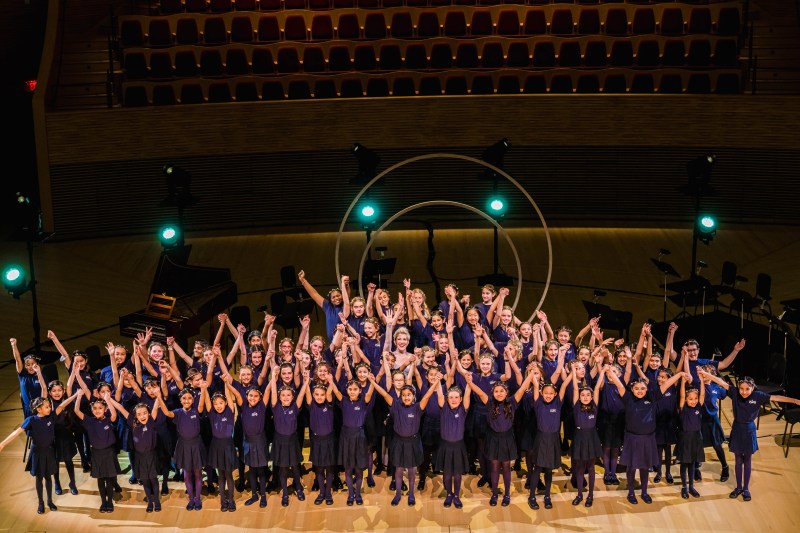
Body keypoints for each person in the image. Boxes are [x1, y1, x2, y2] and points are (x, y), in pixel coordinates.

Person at [700, 371, 800, 501]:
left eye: (747, 389)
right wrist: (707, 375)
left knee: (747, 460)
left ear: (753, 388)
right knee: (737, 460)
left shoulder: (758, 396)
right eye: (741, 388)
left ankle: (746, 488)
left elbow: (776, 398)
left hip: (749, 430)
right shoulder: (734, 393)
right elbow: (721, 383)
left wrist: (794, 400)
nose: (744, 392)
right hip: (737, 429)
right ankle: (738, 487)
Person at [605, 364, 686, 504]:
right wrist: (607, 371)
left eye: (643, 388)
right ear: (632, 389)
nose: (640, 391)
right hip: (632, 438)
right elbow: (618, 384)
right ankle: (631, 492)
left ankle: (644, 492)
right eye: (636, 388)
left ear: (647, 388)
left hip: (648, 438)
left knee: (644, 467)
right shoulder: (628, 397)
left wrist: (679, 375)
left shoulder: (653, 396)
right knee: (631, 467)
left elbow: (666, 384)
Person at [467, 365, 536, 507]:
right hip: (493, 439)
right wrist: (469, 382)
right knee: (494, 467)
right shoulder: (489, 403)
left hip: (507, 439)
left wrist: (530, 374)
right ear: (493, 393)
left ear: (506, 392)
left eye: (502, 391)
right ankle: (494, 493)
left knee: (505, 467)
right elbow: (479, 392)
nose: (499, 393)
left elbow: (523, 388)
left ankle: (507, 494)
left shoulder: (512, 402)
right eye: (496, 391)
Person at [369, 371, 437, 506]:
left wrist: (436, 382)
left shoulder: (418, 407)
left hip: (413, 442)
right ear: (401, 396)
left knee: (412, 470)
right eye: (404, 395)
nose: (406, 397)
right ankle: (398, 494)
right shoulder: (395, 405)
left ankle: (411, 494)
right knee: (398, 469)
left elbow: (428, 395)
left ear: (413, 396)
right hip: (399, 442)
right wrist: (372, 382)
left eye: (409, 395)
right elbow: (383, 393)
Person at [0, 394, 77, 514]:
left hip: (49, 452)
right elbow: (16, 433)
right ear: (38, 409)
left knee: (48, 478)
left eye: (50, 406)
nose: (50, 409)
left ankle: (50, 501)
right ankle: (41, 503)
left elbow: (62, 405)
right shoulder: (31, 420)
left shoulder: (51, 417)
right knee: (39, 478)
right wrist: (2, 444)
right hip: (37, 453)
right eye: (47, 407)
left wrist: (76, 395)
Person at [522, 367, 569, 509]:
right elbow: (535, 384)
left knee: (548, 470)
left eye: (551, 393)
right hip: (541, 440)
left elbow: (565, 384)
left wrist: (570, 371)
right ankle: (532, 496)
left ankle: (547, 496)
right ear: (541, 393)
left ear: (555, 394)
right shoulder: (538, 403)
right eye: (546, 393)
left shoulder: (558, 403)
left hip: (553, 440)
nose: (548, 396)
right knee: (537, 469)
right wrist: (532, 373)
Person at [159, 385, 209, 510]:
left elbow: (201, 403)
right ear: (180, 400)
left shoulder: (196, 411)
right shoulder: (178, 413)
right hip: (183, 446)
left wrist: (203, 390)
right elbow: (166, 413)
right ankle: (191, 499)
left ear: (193, 399)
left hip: (196, 445)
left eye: (190, 398)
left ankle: (198, 499)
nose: (187, 400)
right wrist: (159, 397)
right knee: (187, 474)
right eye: (184, 398)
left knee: (198, 473)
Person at [72, 389, 123, 513]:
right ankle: (103, 502)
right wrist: (78, 397)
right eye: (94, 408)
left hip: (109, 453)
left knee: (110, 479)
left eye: (100, 408)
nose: (97, 410)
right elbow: (76, 411)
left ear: (105, 409)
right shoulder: (90, 421)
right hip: (96, 454)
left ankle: (110, 501)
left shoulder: (109, 420)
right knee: (100, 480)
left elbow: (114, 413)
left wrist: (107, 400)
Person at [270, 369, 310, 507]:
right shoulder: (275, 407)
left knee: (295, 467)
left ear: (292, 397)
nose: (286, 397)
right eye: (283, 395)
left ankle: (298, 488)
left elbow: (302, 393)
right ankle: (285, 493)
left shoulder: (295, 406)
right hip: (280, 441)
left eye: (288, 395)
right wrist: (274, 377)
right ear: (279, 397)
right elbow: (273, 392)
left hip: (292, 441)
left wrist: (306, 381)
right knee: (282, 469)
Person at [116, 400, 163, 512]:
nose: (142, 416)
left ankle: (156, 500)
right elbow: (121, 408)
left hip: (151, 456)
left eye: (145, 413)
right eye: (139, 414)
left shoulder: (151, 421)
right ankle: (150, 502)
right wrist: (108, 399)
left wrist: (158, 395)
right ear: (135, 416)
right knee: (145, 480)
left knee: (153, 479)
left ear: (149, 413)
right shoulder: (133, 423)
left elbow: (156, 407)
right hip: (139, 458)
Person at [206, 377, 242, 512]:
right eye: (216, 404)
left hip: (228, 446)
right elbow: (207, 403)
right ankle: (223, 501)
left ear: (226, 403)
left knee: (229, 475)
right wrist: (204, 390)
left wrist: (227, 384)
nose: (218, 406)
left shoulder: (229, 411)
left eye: (221, 403)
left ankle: (231, 500)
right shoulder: (212, 413)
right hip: (216, 447)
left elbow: (228, 395)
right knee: (220, 476)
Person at [569, 369, 604, 507]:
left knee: (590, 467)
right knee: (579, 468)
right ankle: (579, 494)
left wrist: (602, 372)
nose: (584, 397)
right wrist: (573, 371)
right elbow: (574, 387)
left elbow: (596, 388)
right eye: (582, 395)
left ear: (591, 397)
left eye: (587, 395)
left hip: (591, 438)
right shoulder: (576, 406)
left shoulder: (594, 407)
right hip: (579, 439)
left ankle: (590, 495)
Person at [435, 380, 471, 508]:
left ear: (461, 399)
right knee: (447, 473)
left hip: (458, 447)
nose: (454, 399)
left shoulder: (463, 409)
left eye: (456, 397)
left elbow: (467, 394)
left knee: (457, 473)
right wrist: (437, 381)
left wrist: (468, 382)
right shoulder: (444, 408)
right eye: (451, 397)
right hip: (445, 446)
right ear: (447, 399)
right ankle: (448, 494)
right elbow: (439, 394)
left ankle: (456, 495)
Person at [306, 373, 338, 505]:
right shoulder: (311, 405)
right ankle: (321, 492)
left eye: (322, 395)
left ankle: (328, 492)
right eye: (317, 395)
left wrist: (331, 382)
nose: (319, 397)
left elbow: (330, 393)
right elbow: (307, 392)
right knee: (319, 468)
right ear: (313, 396)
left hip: (329, 440)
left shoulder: (329, 404)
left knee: (329, 468)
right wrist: (306, 382)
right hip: (317, 441)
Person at [297, 270, 351, 342]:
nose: (336, 298)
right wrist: (303, 280)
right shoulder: (327, 307)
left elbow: (346, 296)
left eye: (338, 296)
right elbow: (314, 294)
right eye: (333, 297)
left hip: (345, 342)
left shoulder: (344, 305)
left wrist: (346, 285)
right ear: (330, 300)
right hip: (332, 345)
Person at [676, 373, 705, 499]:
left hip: (696, 439)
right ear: (686, 400)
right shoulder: (683, 408)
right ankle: (684, 487)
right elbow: (682, 395)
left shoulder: (698, 406)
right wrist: (682, 382)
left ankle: (691, 486)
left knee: (693, 463)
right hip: (685, 439)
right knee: (684, 464)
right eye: (690, 399)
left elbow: (703, 395)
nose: (693, 401)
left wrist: (702, 381)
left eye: (695, 398)